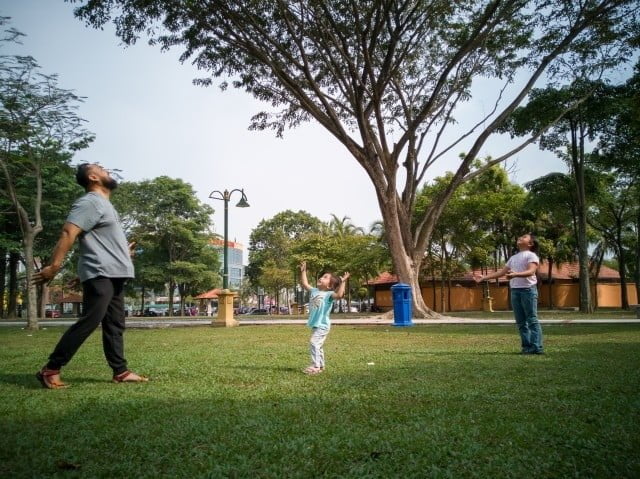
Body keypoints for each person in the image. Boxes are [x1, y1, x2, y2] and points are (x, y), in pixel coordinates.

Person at [31, 163, 148, 388]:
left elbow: (96, 242)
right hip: (102, 272)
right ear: (93, 177)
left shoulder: (104, 205)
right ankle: (51, 369)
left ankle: (120, 372)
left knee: (115, 324)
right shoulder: (90, 202)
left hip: (113, 273)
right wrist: (54, 266)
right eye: (101, 169)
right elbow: (69, 232)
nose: (108, 171)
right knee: (90, 320)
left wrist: (124, 252)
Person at [474, 233, 544, 355]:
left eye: (524, 237)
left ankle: (537, 347)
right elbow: (501, 273)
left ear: (530, 244)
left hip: (528, 290)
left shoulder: (531, 255)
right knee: (521, 322)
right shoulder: (513, 258)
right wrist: (484, 278)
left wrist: (516, 274)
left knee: (532, 320)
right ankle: (526, 348)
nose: (520, 237)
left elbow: (531, 271)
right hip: (515, 291)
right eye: (520, 236)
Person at [299, 261, 350, 375]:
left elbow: (339, 295)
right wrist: (303, 271)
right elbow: (304, 283)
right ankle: (321, 365)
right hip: (316, 324)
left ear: (329, 286)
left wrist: (343, 282)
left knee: (314, 343)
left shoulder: (329, 294)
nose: (321, 278)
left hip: (323, 325)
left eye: (325, 277)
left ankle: (315, 366)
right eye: (322, 276)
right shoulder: (314, 291)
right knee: (318, 345)